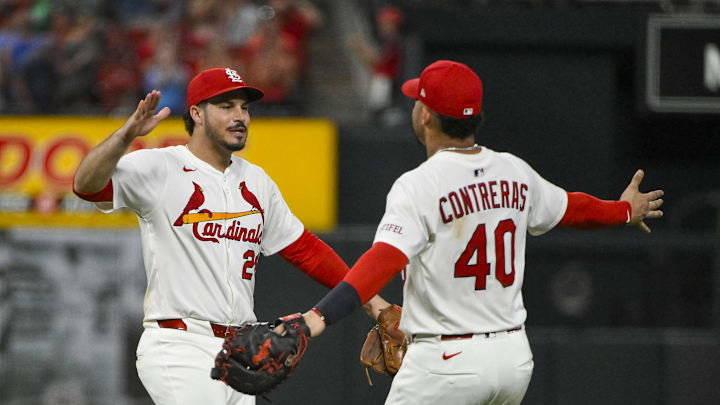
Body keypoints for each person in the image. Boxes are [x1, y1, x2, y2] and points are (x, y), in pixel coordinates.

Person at [281, 60, 665, 405]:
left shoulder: (418, 184)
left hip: (446, 363)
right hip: (512, 360)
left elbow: (383, 260)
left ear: (426, 116)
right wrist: (624, 210)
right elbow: (573, 208)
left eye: (418, 101)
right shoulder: (514, 170)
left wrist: (318, 318)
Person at [72, 67, 390, 405]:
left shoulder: (257, 181)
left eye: (244, 107)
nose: (240, 117)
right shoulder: (160, 167)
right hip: (179, 344)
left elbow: (306, 251)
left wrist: (373, 301)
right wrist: (125, 136)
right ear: (196, 113)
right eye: (226, 107)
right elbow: (86, 186)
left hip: (240, 352)